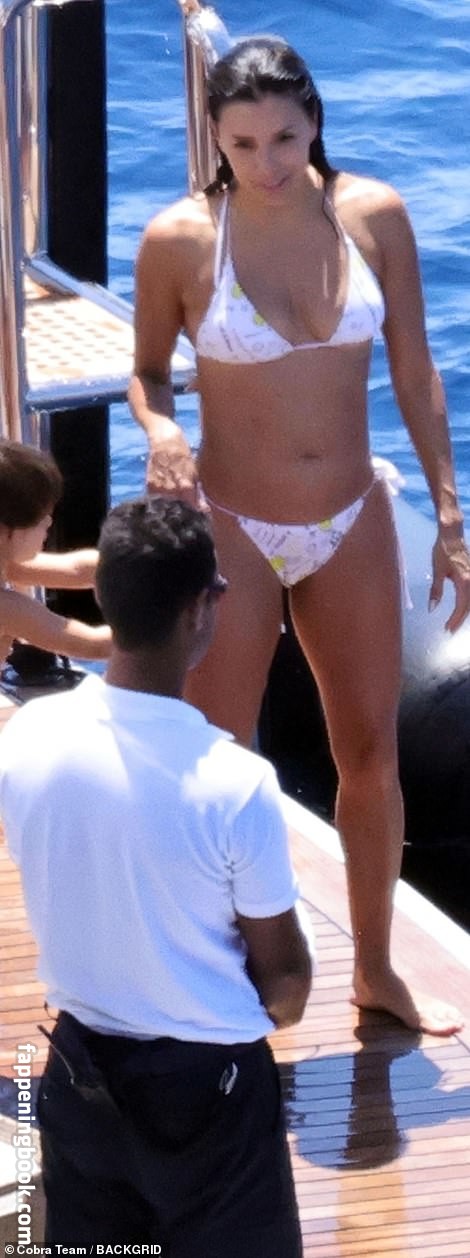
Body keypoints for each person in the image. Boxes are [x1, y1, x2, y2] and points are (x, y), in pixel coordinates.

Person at [129, 35, 470, 1036]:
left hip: (353, 516)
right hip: (233, 522)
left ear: (314, 120)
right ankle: (207, 972)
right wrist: (161, 434)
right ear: (214, 138)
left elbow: (414, 370)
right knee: (217, 760)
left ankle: (375, 970)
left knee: (370, 754)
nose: (266, 161)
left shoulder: (373, 215)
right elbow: (147, 372)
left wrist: (449, 513)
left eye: (284, 136)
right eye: (241, 143)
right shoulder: (180, 239)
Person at [0, 495, 312, 1253]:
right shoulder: (237, 784)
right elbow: (286, 985)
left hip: (78, 1079)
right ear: (200, 608)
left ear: (105, 596)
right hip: (210, 1103)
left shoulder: (26, 734)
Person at [0, 440, 110, 667]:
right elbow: (91, 644)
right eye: (40, 518)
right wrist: (168, 625)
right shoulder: (7, 609)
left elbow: (76, 569)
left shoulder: (7, 562)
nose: (49, 522)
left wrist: (136, 565)